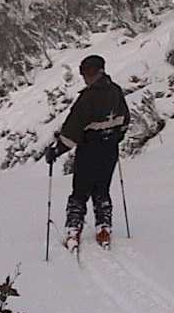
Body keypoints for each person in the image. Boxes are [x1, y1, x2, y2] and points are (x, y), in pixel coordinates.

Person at [45, 55, 130, 252]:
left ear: (99, 72)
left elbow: (71, 131)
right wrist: (116, 137)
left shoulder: (87, 98)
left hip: (88, 150)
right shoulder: (116, 91)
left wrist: (56, 151)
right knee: (102, 189)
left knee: (80, 191)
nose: (85, 77)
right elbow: (125, 120)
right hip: (109, 150)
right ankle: (104, 227)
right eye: (84, 73)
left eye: (88, 73)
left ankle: (74, 229)